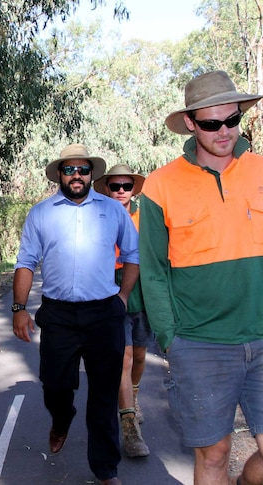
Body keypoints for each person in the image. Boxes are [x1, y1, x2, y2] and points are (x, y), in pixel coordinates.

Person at [139, 70, 263, 485]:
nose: (223, 131)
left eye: (232, 120)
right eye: (211, 123)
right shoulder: (159, 186)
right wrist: (171, 338)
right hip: (199, 342)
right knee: (213, 456)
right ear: (190, 123)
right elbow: (153, 272)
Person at [13, 144, 139, 485]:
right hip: (58, 315)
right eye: (70, 170)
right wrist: (20, 308)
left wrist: (122, 297)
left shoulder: (113, 210)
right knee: (55, 385)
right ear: (59, 175)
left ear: (92, 173)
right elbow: (25, 262)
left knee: (103, 393)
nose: (77, 175)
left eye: (83, 169)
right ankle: (61, 418)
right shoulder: (41, 213)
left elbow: (132, 254)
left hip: (104, 314)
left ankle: (105, 469)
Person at [93, 163, 151, 458]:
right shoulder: (99, 216)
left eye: (125, 186)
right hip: (111, 289)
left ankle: (135, 395)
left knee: (139, 355)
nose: (120, 192)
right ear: (105, 188)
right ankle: (129, 424)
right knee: (124, 357)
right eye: (114, 186)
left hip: (143, 289)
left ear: (133, 189)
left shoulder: (146, 216)